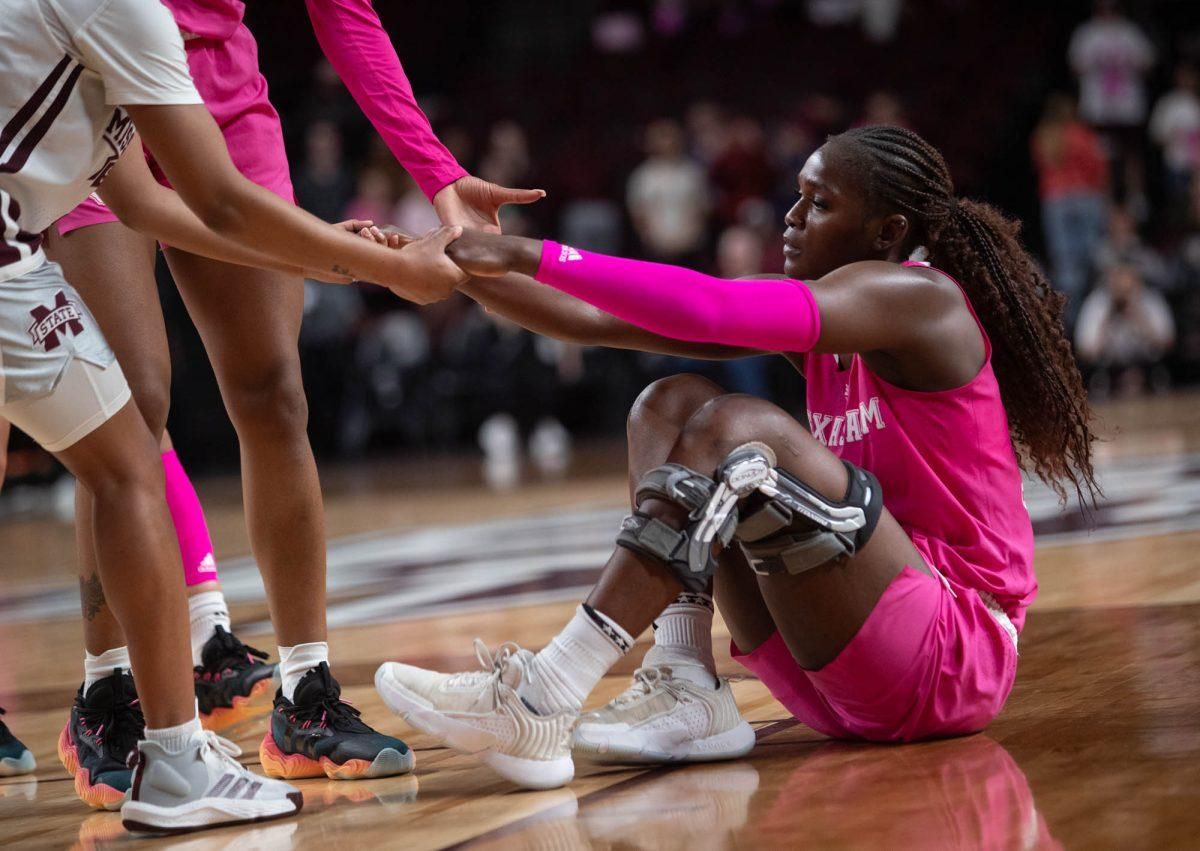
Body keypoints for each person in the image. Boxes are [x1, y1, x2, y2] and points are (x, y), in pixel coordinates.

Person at [373, 125, 1098, 790]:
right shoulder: (832, 316)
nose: (790, 218)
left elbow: (712, 306)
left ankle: (544, 692)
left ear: (889, 231)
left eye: (818, 203)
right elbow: (603, 320)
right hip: (835, 664)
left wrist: (528, 252)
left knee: (739, 427)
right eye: (797, 198)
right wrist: (455, 269)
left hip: (949, 656)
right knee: (668, 403)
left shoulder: (922, 299)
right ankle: (688, 681)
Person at [43, 0, 544, 811]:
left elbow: (344, 11)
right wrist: (363, 264)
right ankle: (108, 694)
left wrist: (437, 171)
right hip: (86, 78)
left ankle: (304, 692)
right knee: (129, 399)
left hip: (215, 90)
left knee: (273, 391)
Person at [1030, 93, 1109, 325]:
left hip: (1056, 200)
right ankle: (1090, 316)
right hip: (1086, 197)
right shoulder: (1083, 135)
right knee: (1092, 258)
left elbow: (1040, 167)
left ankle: (1070, 323)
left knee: (1065, 263)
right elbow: (1100, 169)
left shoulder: (1043, 137)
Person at [1068, 0, 1155, 208]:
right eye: (1103, 7)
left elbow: (1149, 62)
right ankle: (1103, 200)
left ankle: (1136, 198)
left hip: (1128, 107)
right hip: (1098, 109)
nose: (1108, 12)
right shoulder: (1087, 33)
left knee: (1131, 153)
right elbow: (1074, 65)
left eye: (1112, 7)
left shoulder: (1130, 32)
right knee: (1101, 156)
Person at [1075, 263, 1175, 396]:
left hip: (1147, 369)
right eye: (1118, 288)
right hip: (1109, 373)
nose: (1123, 293)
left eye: (1128, 288)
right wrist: (1108, 319)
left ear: (1137, 285)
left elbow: (1168, 343)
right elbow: (1085, 353)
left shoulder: (1150, 300)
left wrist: (1139, 317)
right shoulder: (1097, 303)